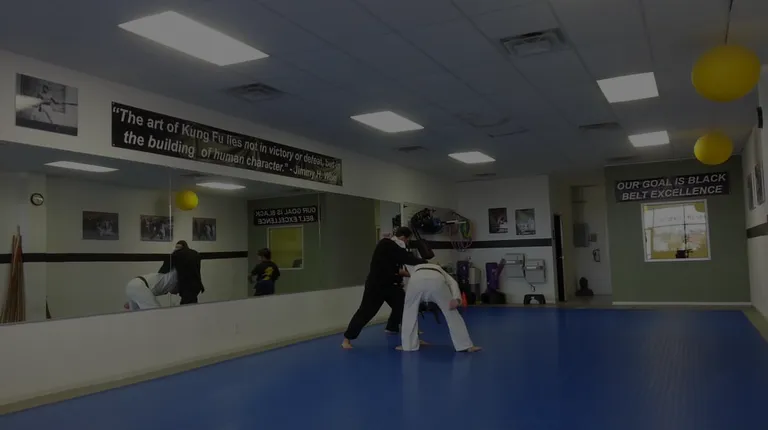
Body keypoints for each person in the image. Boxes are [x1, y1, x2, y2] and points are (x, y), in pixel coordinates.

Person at [342, 227, 427, 349]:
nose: (407, 243)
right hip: (376, 286)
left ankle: (399, 331)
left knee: (405, 306)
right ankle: (347, 339)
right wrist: (425, 263)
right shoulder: (386, 244)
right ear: (404, 237)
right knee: (366, 312)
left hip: (390, 285)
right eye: (408, 240)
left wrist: (410, 273)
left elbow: (394, 268)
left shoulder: (393, 249)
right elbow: (406, 257)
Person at [397, 263, 481, 353]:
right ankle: (465, 346)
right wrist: (457, 299)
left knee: (409, 312)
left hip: (416, 281)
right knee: (452, 314)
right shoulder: (439, 269)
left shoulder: (414, 268)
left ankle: (408, 345)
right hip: (437, 281)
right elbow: (453, 282)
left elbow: (407, 282)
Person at [159, 240, 205, 305]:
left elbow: (164, 269)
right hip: (197, 285)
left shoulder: (177, 254)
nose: (176, 249)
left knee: (186, 306)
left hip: (186, 286)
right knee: (192, 303)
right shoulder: (195, 253)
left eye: (177, 247)